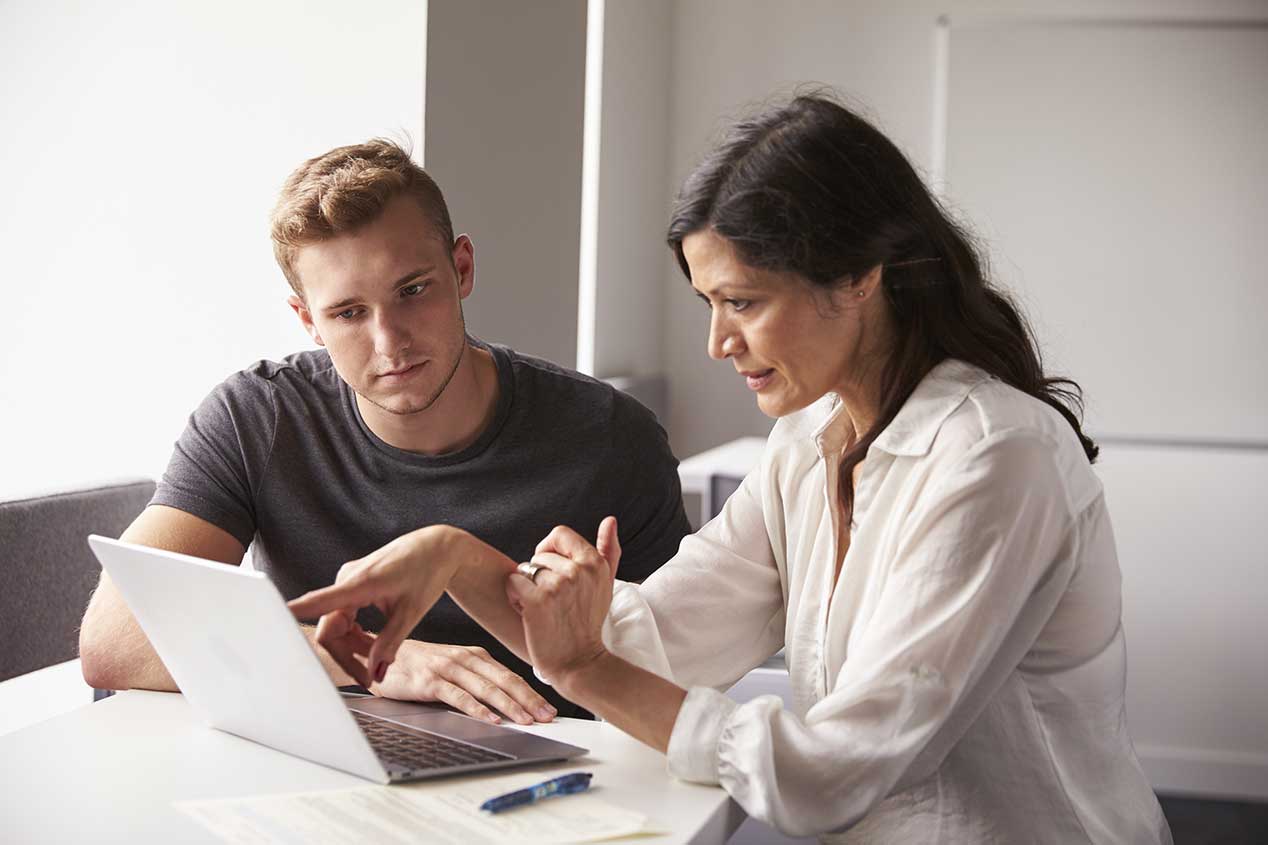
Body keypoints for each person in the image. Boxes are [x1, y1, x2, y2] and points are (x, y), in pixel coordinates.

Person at [286, 96, 1172, 842]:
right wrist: (450, 553)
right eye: (710, 303)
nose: (718, 341)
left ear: (860, 276)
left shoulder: (993, 455)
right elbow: (654, 643)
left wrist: (587, 666)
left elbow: (830, 773)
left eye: (743, 302)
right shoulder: (812, 439)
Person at [78, 139, 692, 725]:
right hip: (330, 761)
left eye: (413, 290)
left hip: (558, 775)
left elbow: (685, 682)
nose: (389, 341)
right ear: (307, 320)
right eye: (348, 313)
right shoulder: (255, 417)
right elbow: (114, 641)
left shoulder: (612, 437)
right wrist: (372, 661)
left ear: (462, 268)